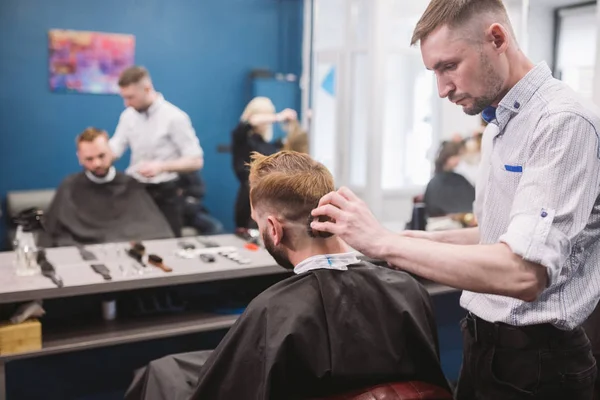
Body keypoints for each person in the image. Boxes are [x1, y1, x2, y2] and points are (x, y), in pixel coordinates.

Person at [310, 0, 600, 399]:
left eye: (449, 66)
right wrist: (390, 240)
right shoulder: (500, 124)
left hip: (539, 364)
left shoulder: (561, 122)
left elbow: (523, 273)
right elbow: (493, 236)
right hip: (483, 345)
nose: (443, 89)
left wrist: (385, 242)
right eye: (435, 72)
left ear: (496, 38)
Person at [125, 151, 450, 400]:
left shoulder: (273, 311)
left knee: (158, 374)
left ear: (273, 229)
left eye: (257, 222)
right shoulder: (407, 288)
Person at [109, 66, 204, 237]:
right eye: (124, 97)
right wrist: (98, 154)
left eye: (130, 97)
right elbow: (115, 148)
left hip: (166, 194)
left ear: (147, 89)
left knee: (168, 246)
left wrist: (161, 166)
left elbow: (195, 160)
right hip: (137, 192)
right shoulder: (128, 116)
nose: (127, 103)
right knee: (133, 241)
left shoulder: (175, 117)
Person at [39, 128, 173, 247]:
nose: (96, 163)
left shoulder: (129, 184)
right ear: (79, 158)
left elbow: (156, 229)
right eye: (89, 159)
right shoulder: (69, 186)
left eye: (101, 156)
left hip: (126, 252)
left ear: (111, 152)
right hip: (84, 253)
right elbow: (52, 233)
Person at [231, 96, 297, 232]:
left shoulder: (266, 144)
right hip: (250, 199)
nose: (268, 121)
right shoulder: (241, 136)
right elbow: (252, 121)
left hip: (270, 199)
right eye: (266, 116)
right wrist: (279, 116)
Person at [424, 140, 475, 217]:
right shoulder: (436, 183)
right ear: (447, 157)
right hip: (441, 221)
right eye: (456, 156)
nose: (458, 159)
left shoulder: (459, 179)